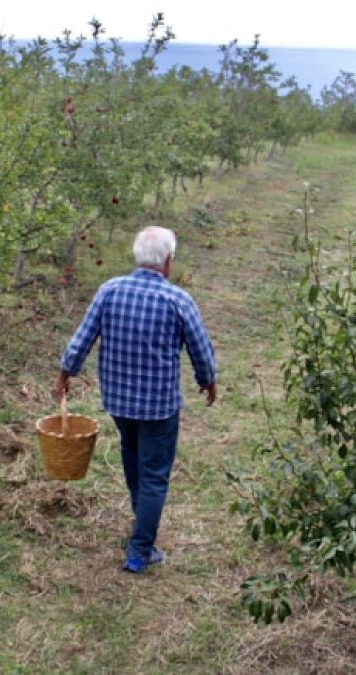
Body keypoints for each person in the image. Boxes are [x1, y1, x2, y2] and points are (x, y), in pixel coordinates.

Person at [53, 226, 217, 574]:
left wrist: (66, 373)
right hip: (159, 407)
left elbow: (83, 338)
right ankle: (140, 550)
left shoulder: (110, 291)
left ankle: (141, 521)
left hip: (119, 402)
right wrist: (208, 381)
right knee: (154, 473)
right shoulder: (177, 300)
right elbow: (200, 350)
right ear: (168, 262)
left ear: (137, 256)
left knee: (133, 456)